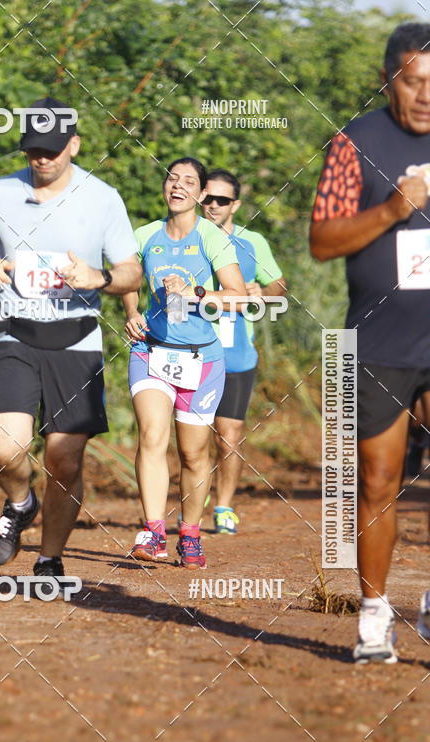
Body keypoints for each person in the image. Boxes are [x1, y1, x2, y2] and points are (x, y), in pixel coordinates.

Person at [0, 97, 141, 585]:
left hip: (75, 342)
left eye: (53, 150)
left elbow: (131, 270)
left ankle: (49, 558)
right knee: (4, 447)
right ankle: (20, 502)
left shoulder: (103, 198)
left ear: (74, 144)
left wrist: (97, 277)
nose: (42, 159)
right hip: (11, 332)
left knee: (64, 457)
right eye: (33, 150)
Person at [309, 23, 430, 662]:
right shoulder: (354, 143)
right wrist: (390, 211)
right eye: (413, 81)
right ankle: (375, 615)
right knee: (380, 482)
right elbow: (322, 242)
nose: (426, 96)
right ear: (386, 81)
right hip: (381, 340)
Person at [123, 157, 247, 569]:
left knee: (194, 455)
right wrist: (131, 311)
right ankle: (153, 530)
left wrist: (194, 294)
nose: (177, 186)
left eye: (188, 181)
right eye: (172, 178)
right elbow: (128, 278)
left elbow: (238, 294)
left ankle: (189, 533)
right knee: (151, 435)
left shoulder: (211, 237)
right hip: (152, 349)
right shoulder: (145, 235)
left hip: (201, 358)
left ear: (199, 193)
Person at [201, 169, 286, 534]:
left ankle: (223, 507)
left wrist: (262, 294)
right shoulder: (183, 236)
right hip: (189, 351)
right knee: (192, 439)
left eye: (222, 199)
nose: (213, 205)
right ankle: (191, 504)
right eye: (207, 197)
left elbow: (279, 284)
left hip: (236, 353)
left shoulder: (252, 242)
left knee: (229, 435)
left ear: (235, 204)